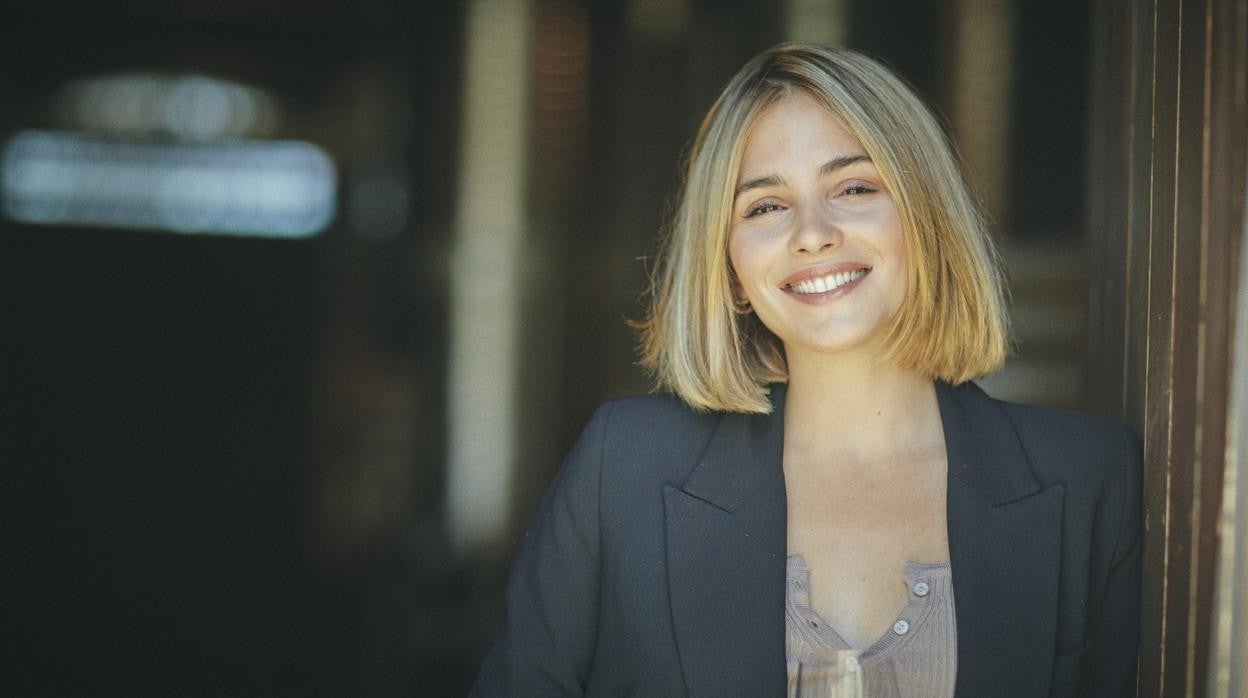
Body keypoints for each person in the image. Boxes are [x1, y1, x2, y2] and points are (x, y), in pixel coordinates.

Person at [471, 44, 1142, 697]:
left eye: (853, 187)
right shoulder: (624, 467)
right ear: (730, 268)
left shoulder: (1091, 481)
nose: (812, 232)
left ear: (927, 219)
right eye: (765, 205)